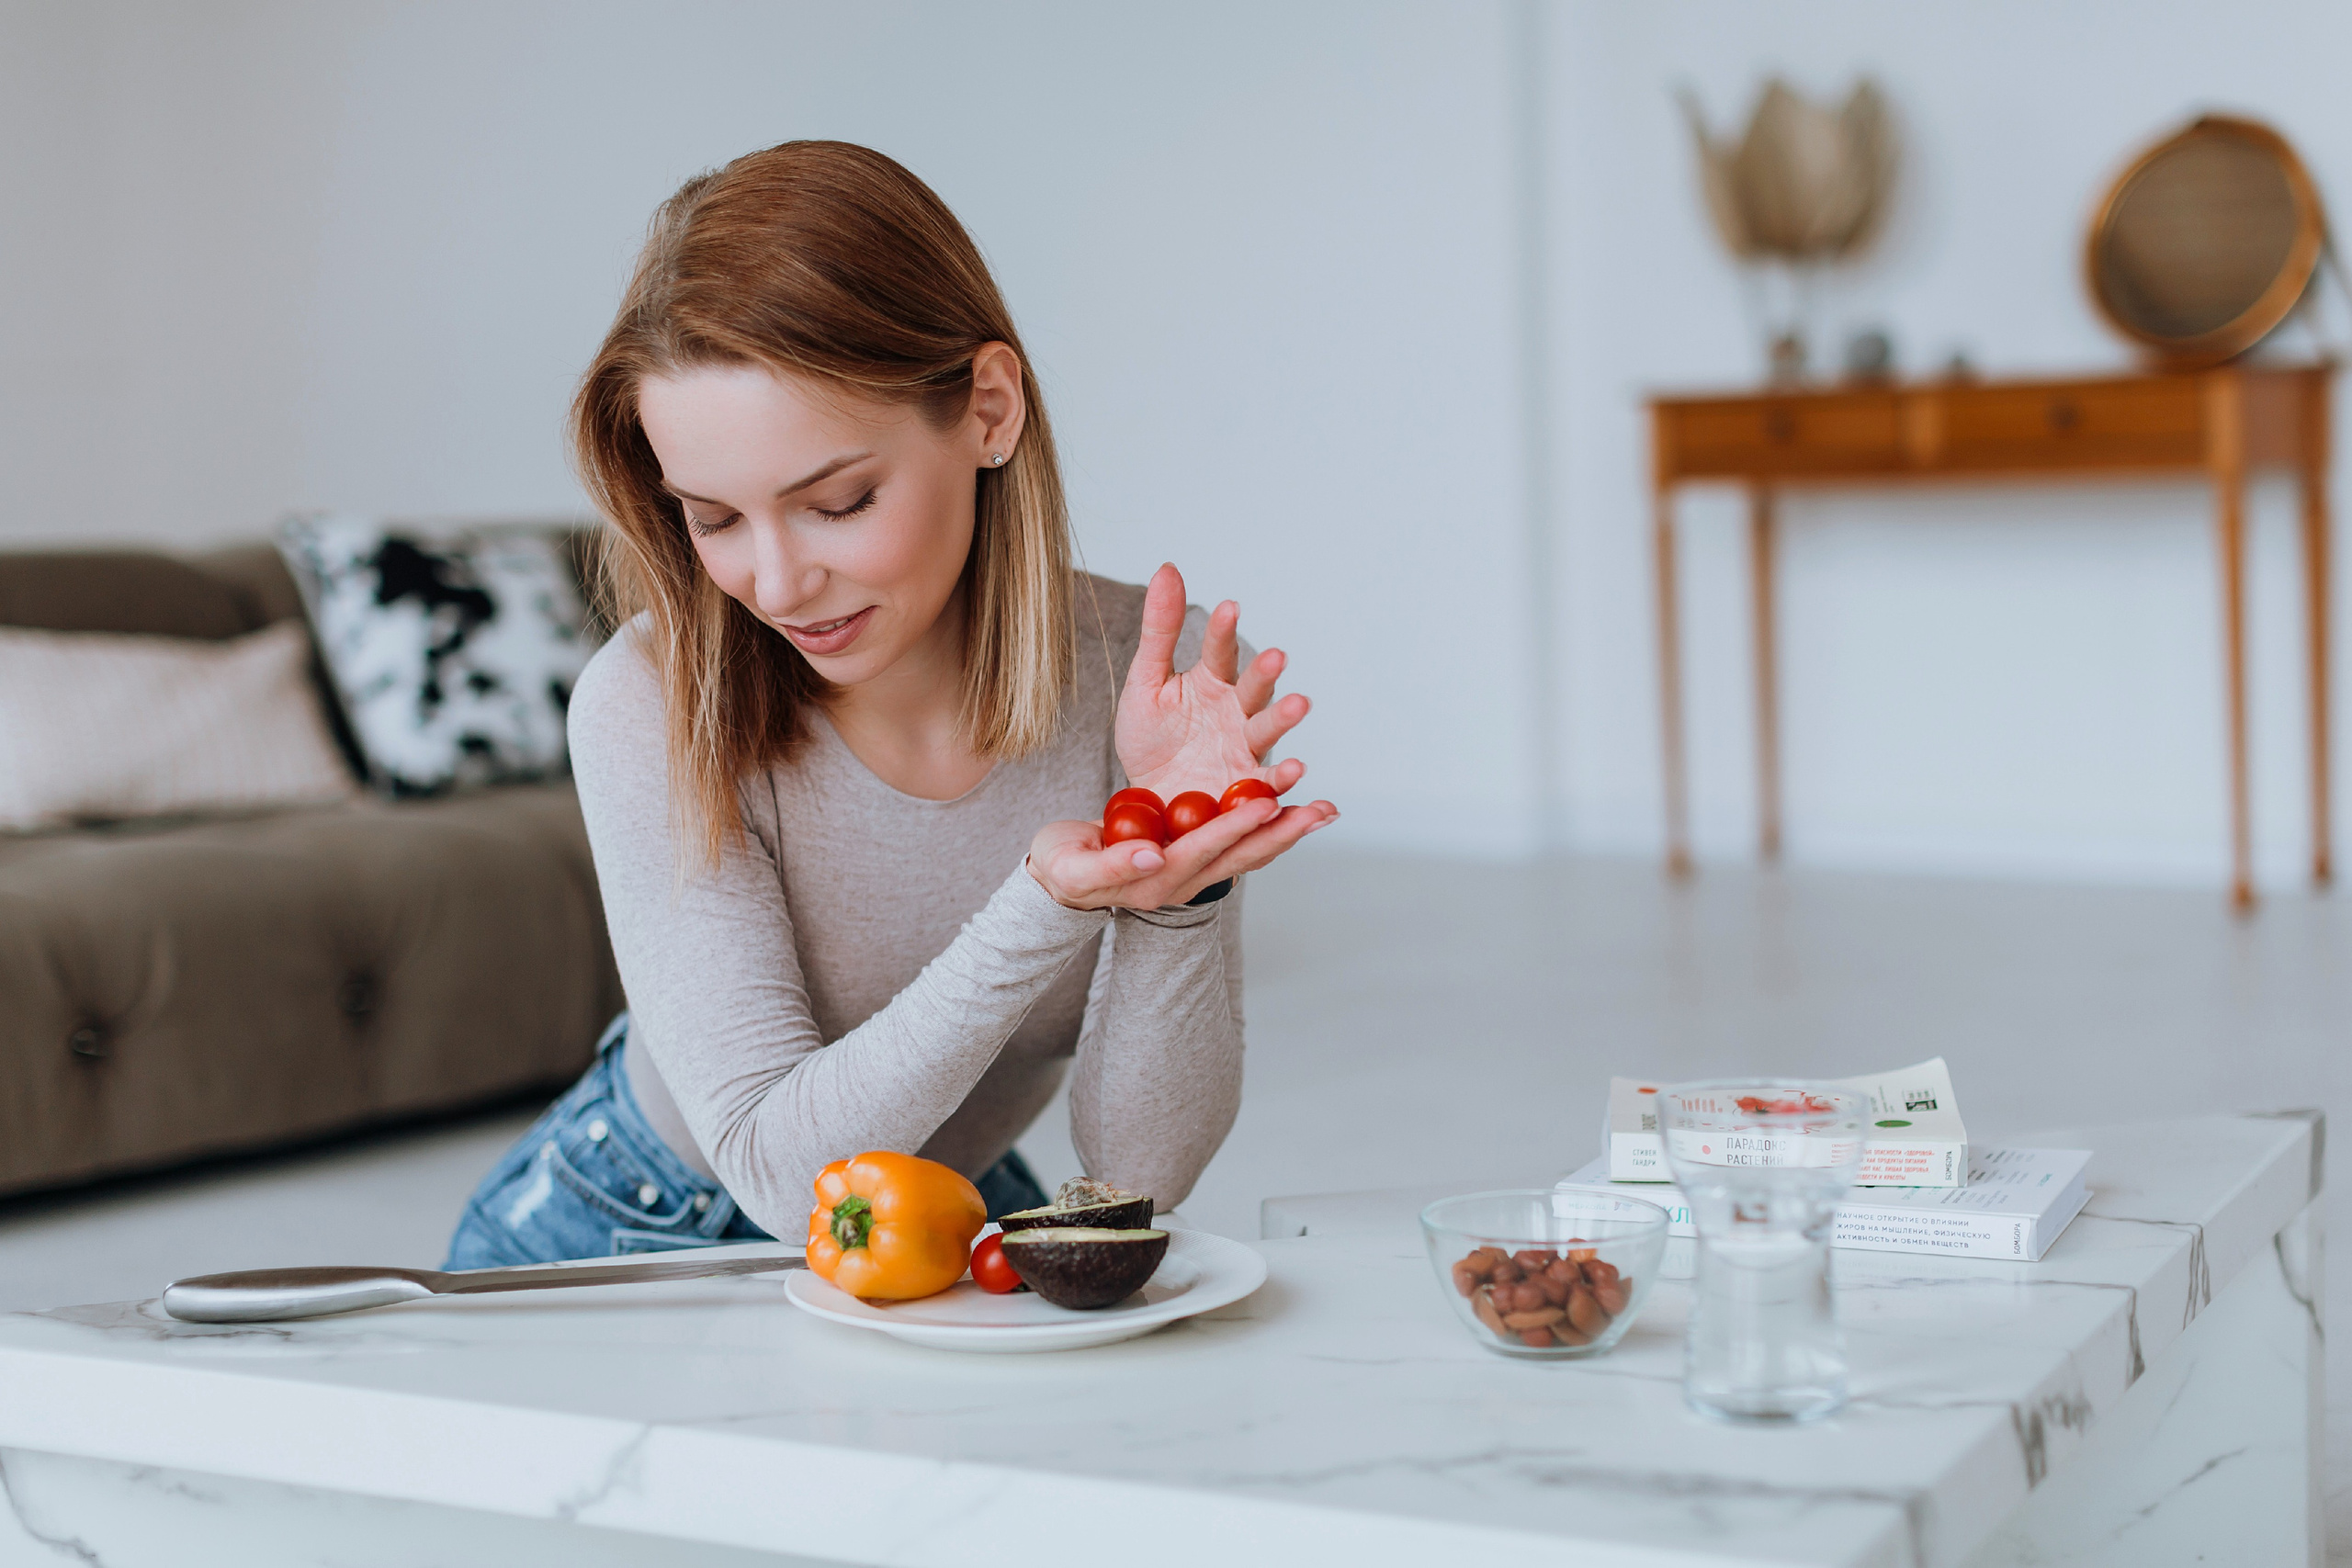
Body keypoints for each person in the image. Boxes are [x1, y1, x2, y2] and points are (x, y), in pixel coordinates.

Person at [445, 141, 1336, 1267]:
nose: (777, 586)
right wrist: (1043, 902)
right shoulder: (648, 699)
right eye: (714, 519)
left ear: (989, 410)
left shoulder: (1142, 684)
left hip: (933, 1217)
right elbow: (783, 1181)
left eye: (838, 502)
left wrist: (1179, 893)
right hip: (629, 1233)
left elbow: (1136, 1175)